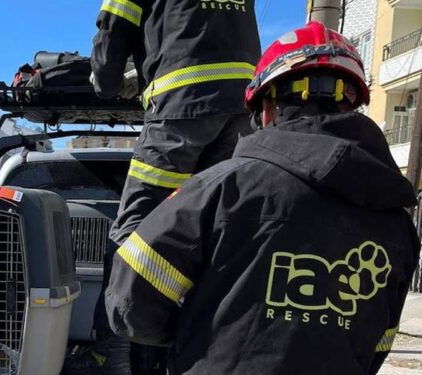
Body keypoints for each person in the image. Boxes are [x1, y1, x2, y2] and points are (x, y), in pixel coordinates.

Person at [104, 22, 420, 374]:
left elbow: (129, 305)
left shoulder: (220, 189)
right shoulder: (398, 225)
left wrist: (194, 338)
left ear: (267, 108)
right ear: (352, 104)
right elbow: (377, 343)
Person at [87, 0, 261, 373]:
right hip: (243, 110)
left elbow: (108, 56)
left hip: (183, 104)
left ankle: (110, 358)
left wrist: (109, 81)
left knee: (131, 237)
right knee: (217, 240)